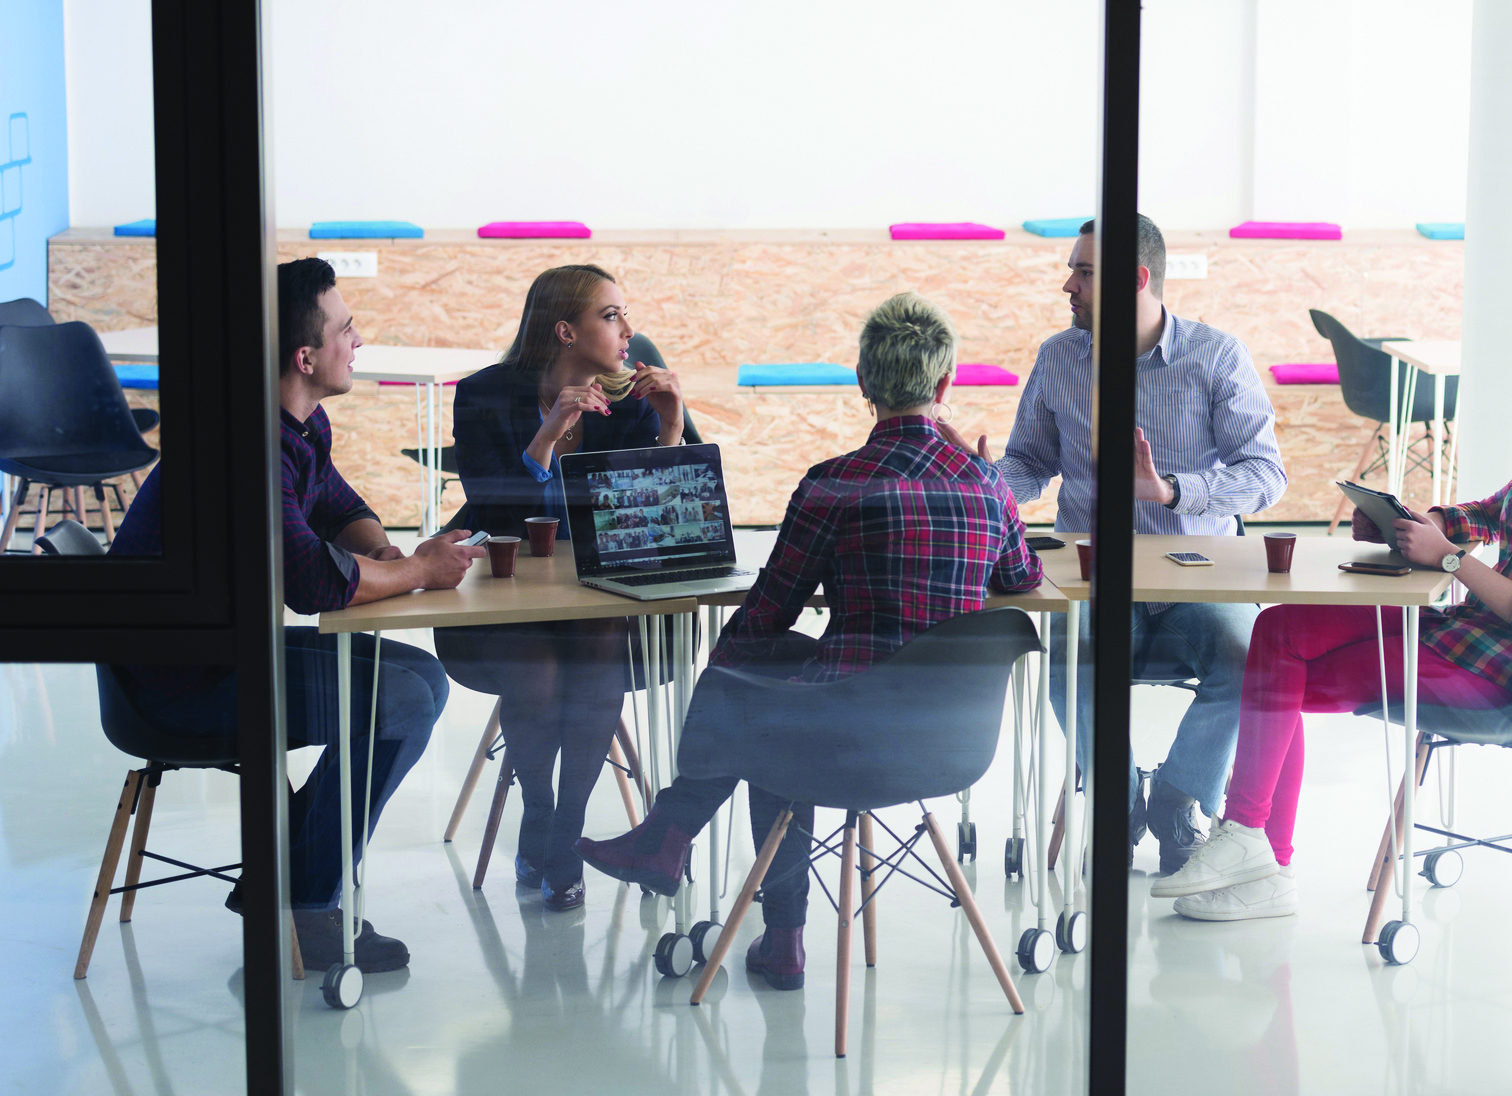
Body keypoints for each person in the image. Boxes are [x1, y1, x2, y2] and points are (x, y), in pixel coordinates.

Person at [1155, 294, 1512, 920]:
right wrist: (1417, 523)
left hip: (1506, 673)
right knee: (1279, 631)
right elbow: (1488, 515)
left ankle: (1253, 844)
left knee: (1281, 670)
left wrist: (1447, 559)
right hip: (1467, 633)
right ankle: (1258, 853)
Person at [577, 292, 1043, 989]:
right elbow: (1021, 578)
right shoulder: (986, 485)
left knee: (763, 690)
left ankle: (764, 918)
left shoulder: (834, 485)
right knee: (779, 685)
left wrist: (716, 681)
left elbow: (767, 612)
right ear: (944, 387)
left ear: (862, 382)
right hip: (950, 742)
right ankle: (672, 842)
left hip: (844, 735)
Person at [108, 258, 482, 971]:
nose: (359, 340)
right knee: (402, 698)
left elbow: (338, 507)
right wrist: (417, 572)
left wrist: (387, 551)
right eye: (347, 329)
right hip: (180, 684)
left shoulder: (297, 426)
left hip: (227, 649)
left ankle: (286, 889)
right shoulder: (249, 444)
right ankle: (305, 905)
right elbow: (312, 581)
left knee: (423, 683)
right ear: (305, 356)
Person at [940, 214, 1285, 873]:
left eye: (1084, 272)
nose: (1066, 283)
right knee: (1069, 659)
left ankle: (1180, 800)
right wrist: (984, 482)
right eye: (1072, 268)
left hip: (1197, 581)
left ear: (1135, 278)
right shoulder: (1060, 358)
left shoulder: (1214, 356)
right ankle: (1118, 799)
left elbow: (1265, 474)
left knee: (1252, 660)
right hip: (1096, 582)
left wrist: (1171, 491)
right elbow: (1030, 464)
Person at [433, 265, 685, 912]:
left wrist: (669, 430)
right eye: (611, 315)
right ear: (566, 330)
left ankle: (561, 832)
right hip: (507, 595)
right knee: (540, 668)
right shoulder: (483, 394)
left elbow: (654, 514)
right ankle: (540, 814)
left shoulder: (629, 402)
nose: (629, 330)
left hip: (595, 595)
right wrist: (547, 436)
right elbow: (491, 506)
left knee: (599, 636)